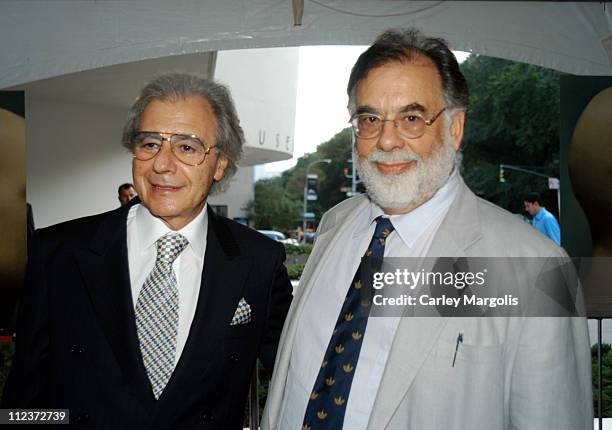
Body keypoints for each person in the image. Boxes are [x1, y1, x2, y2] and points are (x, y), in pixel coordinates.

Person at [262, 29, 591, 430]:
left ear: (454, 128)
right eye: (369, 119)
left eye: (412, 118)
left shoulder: (538, 270)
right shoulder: (335, 225)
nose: (386, 139)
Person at [2, 73, 293, 429]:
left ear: (220, 164)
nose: (162, 164)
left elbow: (295, 379)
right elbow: (24, 402)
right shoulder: (59, 253)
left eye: (187, 147)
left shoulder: (259, 261)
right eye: (150, 143)